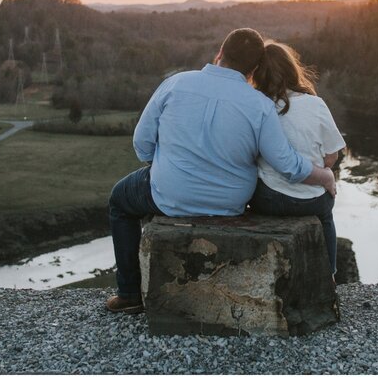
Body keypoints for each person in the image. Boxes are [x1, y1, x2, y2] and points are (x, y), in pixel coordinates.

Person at [105, 28, 336, 313]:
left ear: (219, 54)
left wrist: (165, 167)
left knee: (120, 200)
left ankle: (129, 293)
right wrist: (324, 175)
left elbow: (142, 144)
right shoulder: (261, 106)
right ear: (253, 70)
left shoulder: (175, 84)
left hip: (169, 194)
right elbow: (287, 164)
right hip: (229, 204)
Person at [248, 41, 345, 277]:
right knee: (326, 217)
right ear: (292, 69)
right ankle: (329, 274)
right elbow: (332, 155)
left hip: (268, 199)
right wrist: (320, 173)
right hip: (310, 200)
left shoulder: (258, 107)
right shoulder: (315, 104)